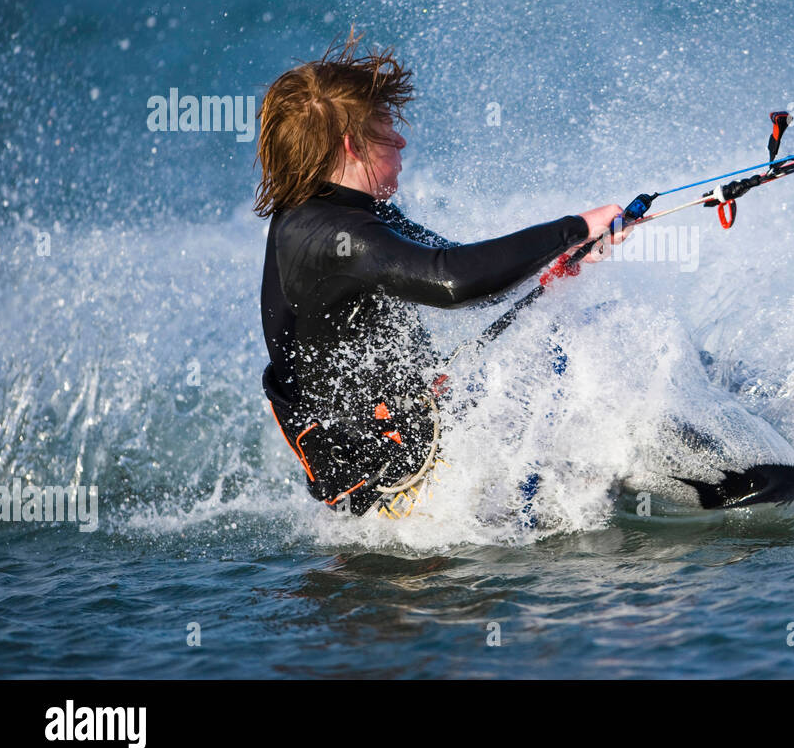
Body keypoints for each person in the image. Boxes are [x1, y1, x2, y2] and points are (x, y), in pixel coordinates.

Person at [254, 36, 627, 516]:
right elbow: (452, 282)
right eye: (386, 125)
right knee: (591, 347)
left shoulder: (347, 214)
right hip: (408, 506)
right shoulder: (326, 233)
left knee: (582, 344)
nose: (401, 138)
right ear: (352, 144)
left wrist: (564, 253)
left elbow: (458, 265)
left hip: (424, 465)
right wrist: (573, 226)